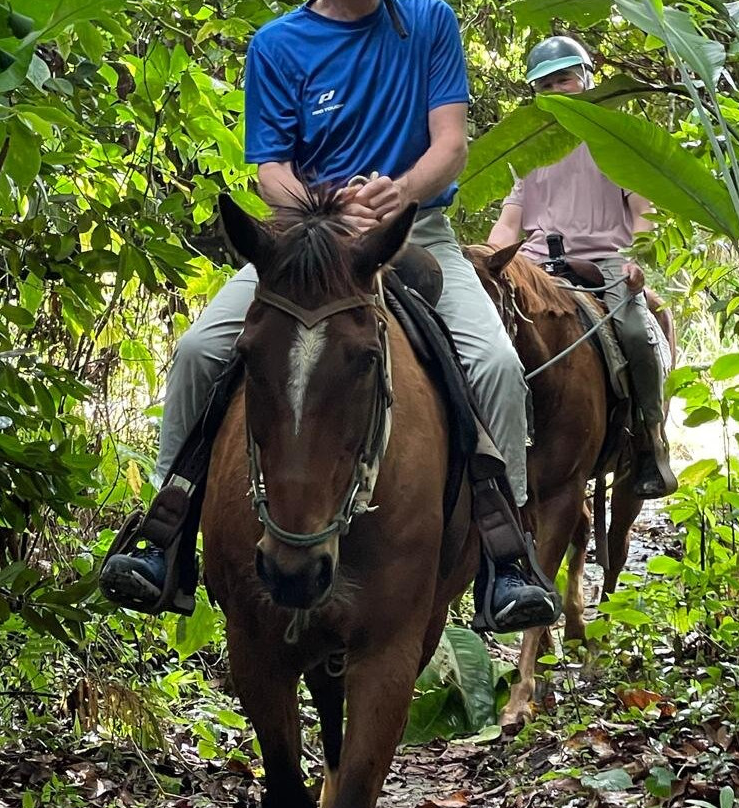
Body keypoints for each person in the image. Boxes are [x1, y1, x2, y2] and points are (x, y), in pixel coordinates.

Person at [99, 0, 560, 631]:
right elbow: (271, 172)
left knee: (497, 364)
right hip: (307, 242)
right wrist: (325, 205)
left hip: (417, 231)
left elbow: (451, 144)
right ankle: (165, 534)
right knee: (198, 351)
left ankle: (505, 556)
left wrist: (400, 192)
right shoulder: (277, 44)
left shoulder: (429, 20)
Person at [488, 35, 677, 499]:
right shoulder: (531, 152)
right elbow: (509, 222)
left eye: (565, 79)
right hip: (538, 265)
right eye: (545, 84)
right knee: (488, 334)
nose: (557, 89)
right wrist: (490, 259)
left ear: (588, 79)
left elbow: (643, 209)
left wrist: (636, 259)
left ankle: (650, 438)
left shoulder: (614, 139)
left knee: (636, 331)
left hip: (604, 261)